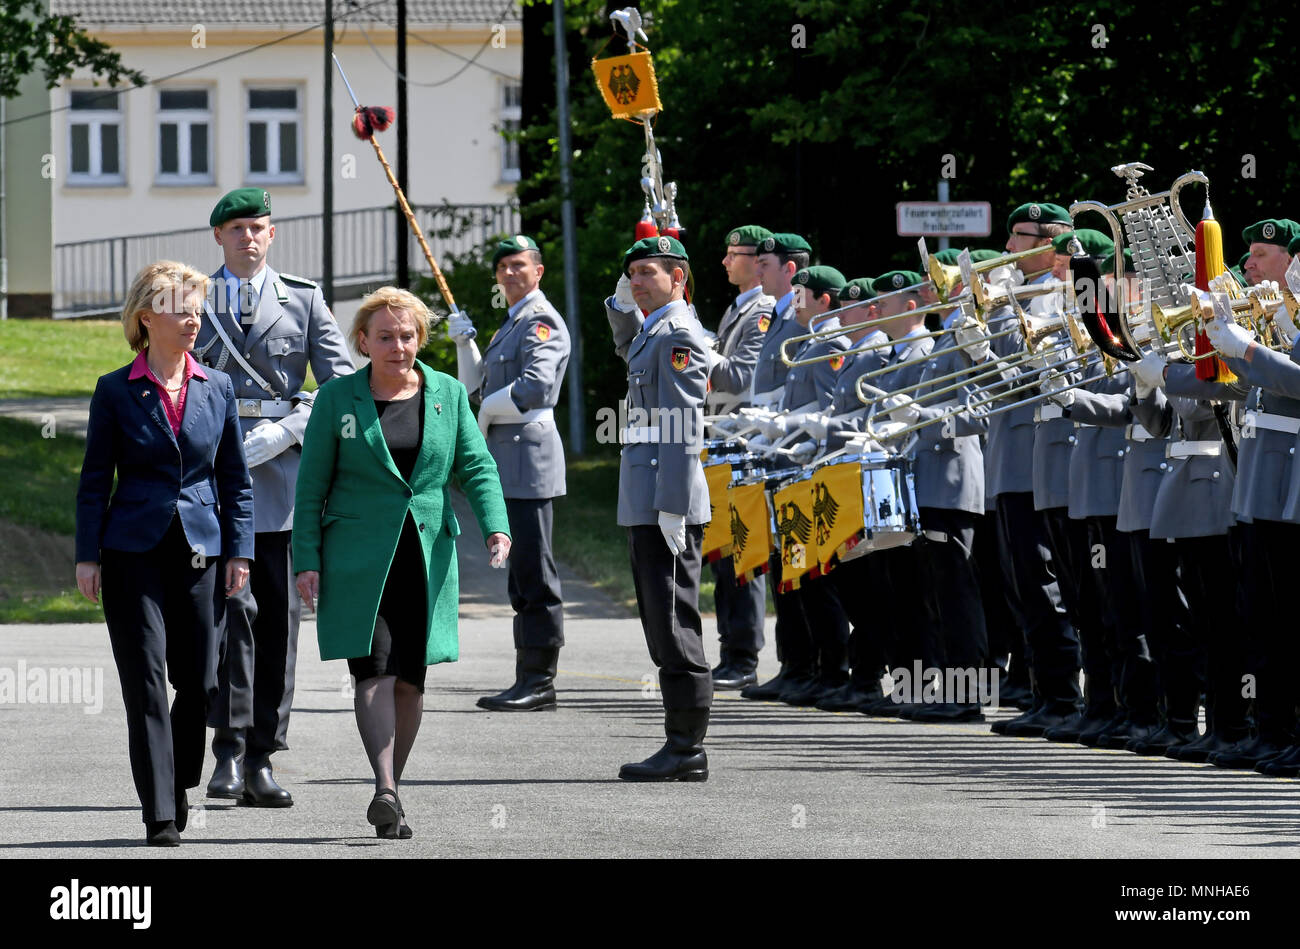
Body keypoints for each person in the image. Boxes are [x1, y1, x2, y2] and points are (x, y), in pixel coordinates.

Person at [293, 287, 511, 838]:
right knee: (372, 669)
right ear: (363, 342)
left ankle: (393, 791)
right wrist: (306, 559)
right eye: (385, 337)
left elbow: (477, 467)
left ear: (420, 338)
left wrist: (497, 526)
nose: (398, 346)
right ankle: (385, 787)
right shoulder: (336, 399)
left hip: (425, 556)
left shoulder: (448, 393)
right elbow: (311, 486)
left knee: (410, 681)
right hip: (356, 561)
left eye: (407, 335)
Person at [75, 261, 254, 846]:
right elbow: (95, 479)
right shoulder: (114, 390)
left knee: (200, 681)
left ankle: (176, 778)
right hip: (131, 554)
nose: (193, 317)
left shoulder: (218, 387)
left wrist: (239, 551)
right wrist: (87, 553)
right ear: (147, 318)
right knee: (146, 682)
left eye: (197, 306)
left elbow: (236, 479)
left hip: (202, 552)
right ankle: (160, 812)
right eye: (181, 307)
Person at [196, 187, 354, 807]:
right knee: (232, 617)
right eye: (236, 228)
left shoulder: (304, 300)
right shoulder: (194, 296)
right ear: (218, 237)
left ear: (272, 233)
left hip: (283, 480)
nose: (248, 238)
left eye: (258, 227)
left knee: (280, 625)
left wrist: (290, 427)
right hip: (212, 478)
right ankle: (227, 749)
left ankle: (264, 754)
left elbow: (343, 385)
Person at [605, 235, 713, 781]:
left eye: (649, 272)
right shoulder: (653, 331)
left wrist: (671, 504)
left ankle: (687, 749)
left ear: (679, 279)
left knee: (674, 626)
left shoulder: (678, 334)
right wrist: (621, 302)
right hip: (646, 496)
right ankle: (680, 743)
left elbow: (683, 423)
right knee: (660, 623)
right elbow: (627, 344)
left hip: (665, 499)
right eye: (632, 274)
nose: (638, 281)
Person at [447, 235, 570, 712]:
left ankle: (540, 679)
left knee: (534, 570)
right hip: (508, 457)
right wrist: (466, 344)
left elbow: (535, 388)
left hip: (528, 455)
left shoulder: (540, 320)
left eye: (520, 265)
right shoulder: (513, 323)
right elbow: (476, 386)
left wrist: (480, 420)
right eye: (503, 267)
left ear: (538, 271)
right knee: (520, 573)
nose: (511, 273)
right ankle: (528, 676)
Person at [704, 225, 775, 691]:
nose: (727, 262)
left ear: (758, 261)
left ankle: (744, 654)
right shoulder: (739, 307)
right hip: (724, 440)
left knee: (742, 550)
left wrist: (695, 345)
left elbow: (739, 379)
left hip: (745, 443)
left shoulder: (762, 311)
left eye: (736, 255)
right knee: (724, 553)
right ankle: (732, 649)